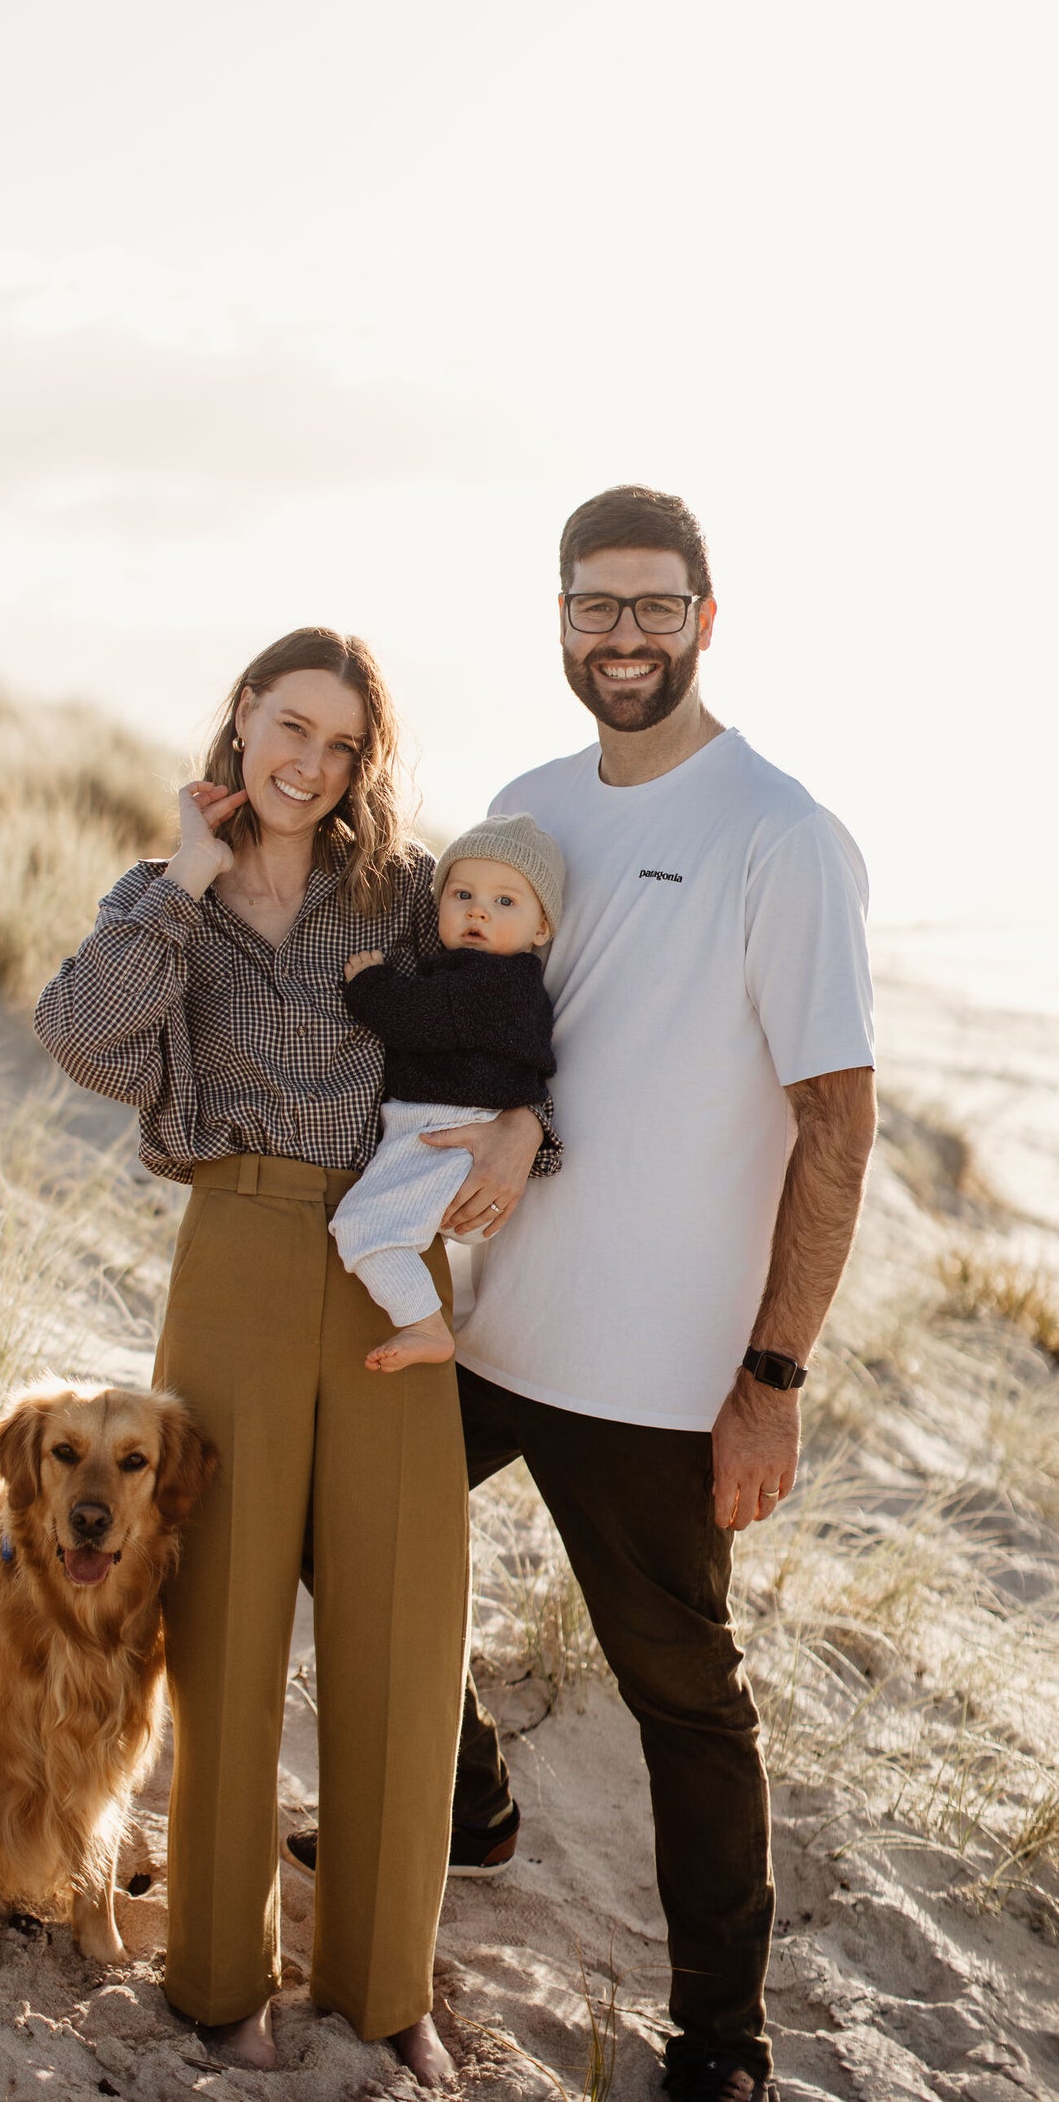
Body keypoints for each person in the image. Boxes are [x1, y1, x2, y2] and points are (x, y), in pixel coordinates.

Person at [293, 487, 877, 2102]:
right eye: (593, 605)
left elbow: (840, 1122)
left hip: (663, 1369)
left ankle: (723, 2045)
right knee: (332, 1535)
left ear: (706, 616)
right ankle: (472, 1811)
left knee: (683, 1698)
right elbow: (471, 1025)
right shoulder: (529, 805)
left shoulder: (782, 834)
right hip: (492, 1315)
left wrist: (775, 1373)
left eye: (651, 605)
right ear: (560, 619)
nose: (622, 635)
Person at [34, 627, 553, 2089]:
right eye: (288, 724)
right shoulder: (166, 902)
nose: (309, 761)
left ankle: (388, 1987)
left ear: (360, 760)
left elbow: (514, 1027)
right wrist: (185, 880)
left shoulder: (402, 887)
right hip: (240, 1251)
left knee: (404, 1612)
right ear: (244, 719)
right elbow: (75, 1033)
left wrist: (524, 1129)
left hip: (392, 1265)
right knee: (227, 1623)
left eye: (339, 742)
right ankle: (216, 1979)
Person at [329, 814, 563, 1370]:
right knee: (383, 1226)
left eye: (505, 902)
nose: (478, 910)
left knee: (362, 1228)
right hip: (446, 1134)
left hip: (446, 1135)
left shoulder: (495, 983)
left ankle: (425, 1325)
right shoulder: (484, 977)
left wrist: (370, 984)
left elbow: (416, 1019)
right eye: (462, 894)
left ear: (541, 928)